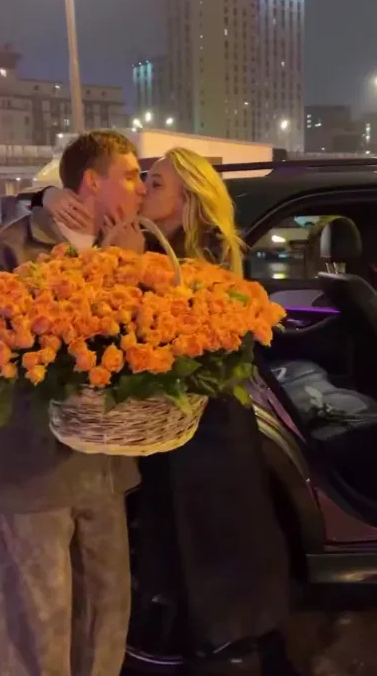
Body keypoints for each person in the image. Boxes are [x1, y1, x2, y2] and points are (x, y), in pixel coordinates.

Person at [35, 148, 298, 676]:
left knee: (214, 536)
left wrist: (130, 266)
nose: (141, 189)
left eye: (155, 183)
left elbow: (172, 337)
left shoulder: (209, 254)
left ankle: (226, 643)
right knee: (171, 535)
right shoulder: (146, 238)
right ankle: (186, 638)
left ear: (188, 199)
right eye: (142, 179)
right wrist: (52, 194)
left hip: (211, 428)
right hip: (166, 427)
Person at [0, 130, 146, 676]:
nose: (141, 188)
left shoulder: (133, 245)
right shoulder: (14, 249)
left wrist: (129, 271)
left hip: (103, 472)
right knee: (36, 625)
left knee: (105, 618)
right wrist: (109, 271)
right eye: (131, 176)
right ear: (92, 181)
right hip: (30, 472)